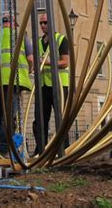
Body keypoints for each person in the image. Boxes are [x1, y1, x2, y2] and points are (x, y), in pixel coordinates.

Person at [0, 13, 33, 154]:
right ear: (14, 23)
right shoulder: (20, 36)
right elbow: (30, 58)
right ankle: (5, 147)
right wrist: (29, 70)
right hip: (14, 81)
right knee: (9, 114)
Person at [32, 13, 70, 155]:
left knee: (61, 118)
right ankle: (41, 150)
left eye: (45, 22)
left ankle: (64, 149)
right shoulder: (38, 41)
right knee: (40, 119)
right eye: (41, 23)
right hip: (43, 86)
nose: (42, 26)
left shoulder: (61, 39)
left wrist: (47, 63)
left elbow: (65, 62)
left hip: (59, 85)